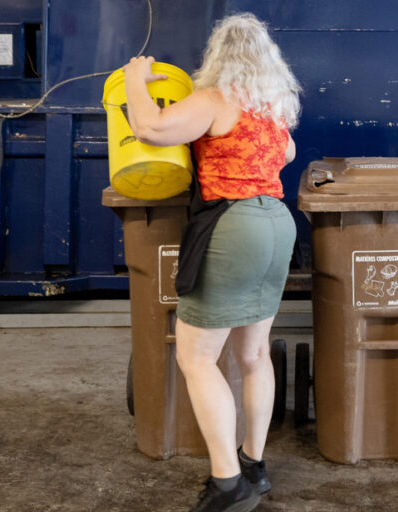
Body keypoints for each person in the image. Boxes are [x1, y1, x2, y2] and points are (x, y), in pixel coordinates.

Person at [122, 12, 301, 512]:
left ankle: (227, 485)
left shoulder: (214, 100)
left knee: (197, 358)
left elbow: (149, 128)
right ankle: (254, 467)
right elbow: (286, 156)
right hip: (276, 223)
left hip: (234, 226)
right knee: (254, 354)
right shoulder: (274, 115)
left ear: (217, 57)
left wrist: (137, 79)